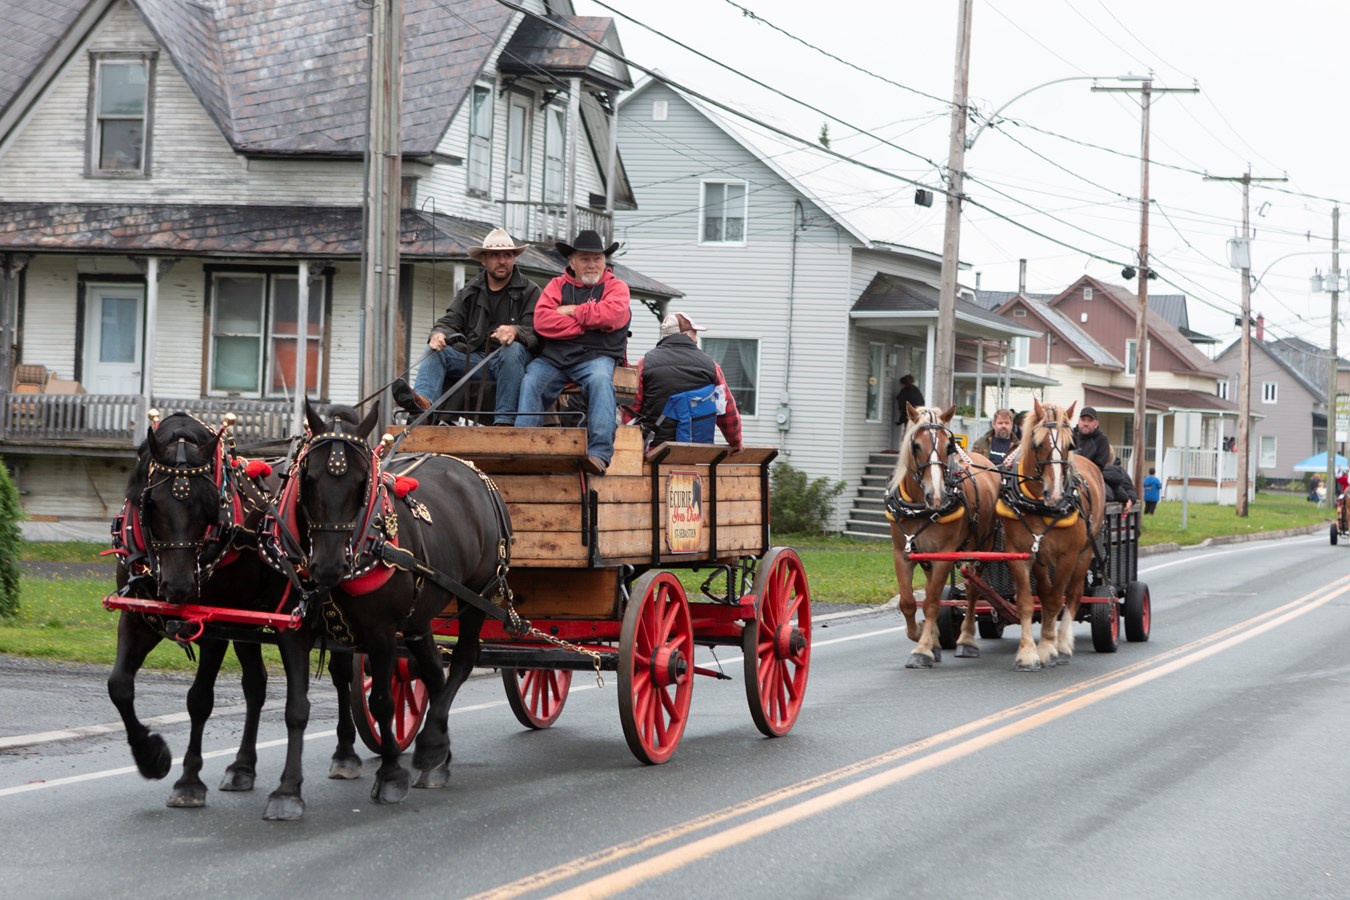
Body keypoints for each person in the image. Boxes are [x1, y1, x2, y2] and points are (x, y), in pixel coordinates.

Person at [392, 228, 539, 424]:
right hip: (477, 360)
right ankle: (422, 407)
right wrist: (439, 333)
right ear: (484, 260)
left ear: (514, 258)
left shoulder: (531, 291)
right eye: (495, 255)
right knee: (435, 350)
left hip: (515, 362)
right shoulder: (470, 291)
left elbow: (538, 329)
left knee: (510, 350)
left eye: (507, 255)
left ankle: (504, 421)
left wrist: (515, 331)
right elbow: (450, 320)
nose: (502, 260)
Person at [516, 230, 632, 475]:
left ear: (604, 261)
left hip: (595, 357)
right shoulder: (557, 285)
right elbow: (542, 322)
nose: (592, 265)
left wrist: (571, 311)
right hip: (555, 359)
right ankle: (523, 446)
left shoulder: (617, 287)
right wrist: (590, 324)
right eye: (585, 259)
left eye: (597, 259)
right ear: (572, 262)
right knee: (530, 381)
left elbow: (613, 315)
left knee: (601, 381)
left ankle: (599, 453)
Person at [625, 312, 743, 451]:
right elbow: (726, 411)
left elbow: (630, 411)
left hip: (655, 451)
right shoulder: (711, 366)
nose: (696, 337)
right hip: (696, 451)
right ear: (685, 335)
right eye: (694, 333)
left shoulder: (644, 364)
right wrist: (735, 441)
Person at [1075, 406, 1133, 511]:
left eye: (1090, 420)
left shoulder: (1101, 440)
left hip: (1091, 477)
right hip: (1070, 475)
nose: (1086, 423)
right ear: (1079, 421)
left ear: (1096, 423)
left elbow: (1098, 466)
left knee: (1108, 494)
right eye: (1083, 420)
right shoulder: (1070, 436)